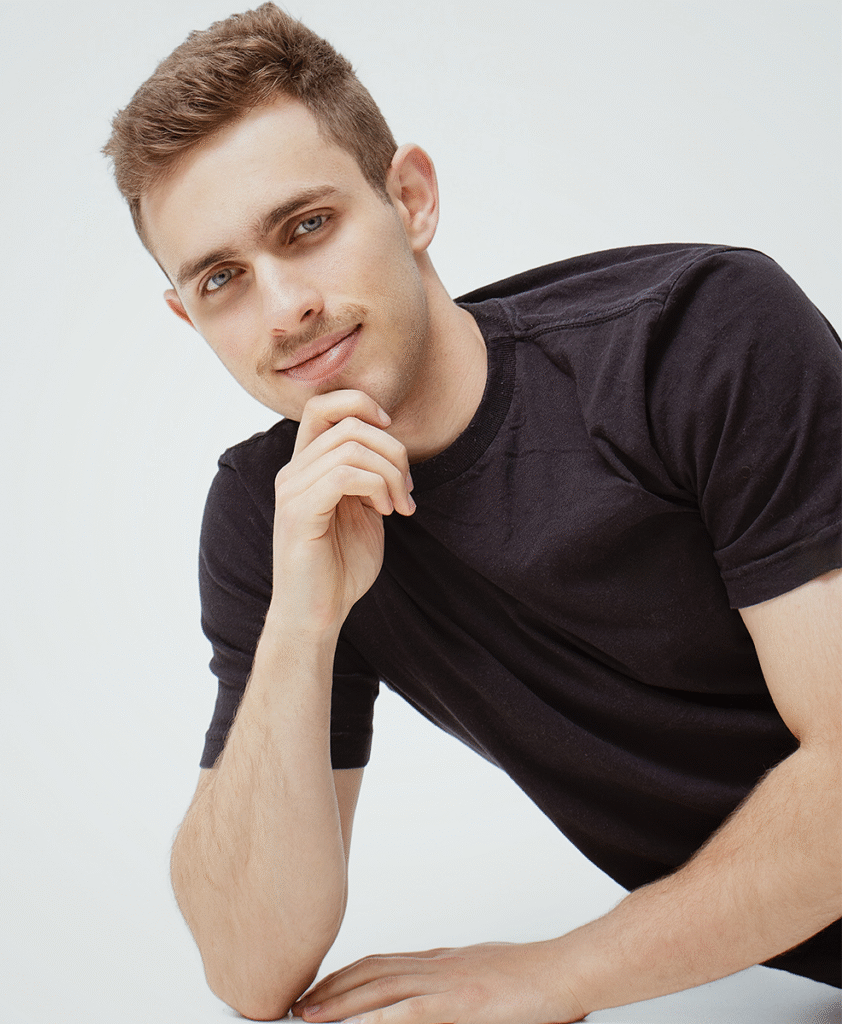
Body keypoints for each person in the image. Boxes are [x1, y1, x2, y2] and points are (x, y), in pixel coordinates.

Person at [103, 4, 841, 1021]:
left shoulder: (692, 337)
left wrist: (554, 975)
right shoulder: (275, 516)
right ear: (188, 316)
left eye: (306, 226)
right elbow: (248, 966)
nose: (283, 310)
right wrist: (302, 623)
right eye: (222, 279)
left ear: (409, 198)